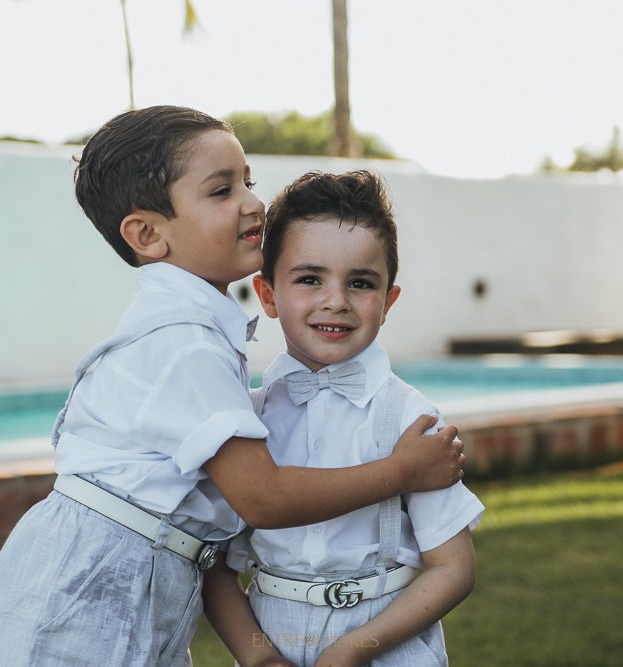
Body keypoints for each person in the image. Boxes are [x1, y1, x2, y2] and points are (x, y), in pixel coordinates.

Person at [0, 107, 466, 667]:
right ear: (149, 234)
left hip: (137, 577)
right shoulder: (185, 341)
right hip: (88, 588)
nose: (254, 202)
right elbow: (262, 498)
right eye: (222, 190)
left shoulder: (200, 331)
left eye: (247, 182)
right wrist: (403, 470)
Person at [203, 170, 484, 666]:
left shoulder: (412, 422)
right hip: (272, 636)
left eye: (360, 283)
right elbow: (215, 567)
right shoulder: (245, 421)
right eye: (310, 279)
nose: (336, 300)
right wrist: (259, 658)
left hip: (383, 638)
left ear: (388, 301)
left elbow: (453, 569)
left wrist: (355, 650)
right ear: (267, 295)